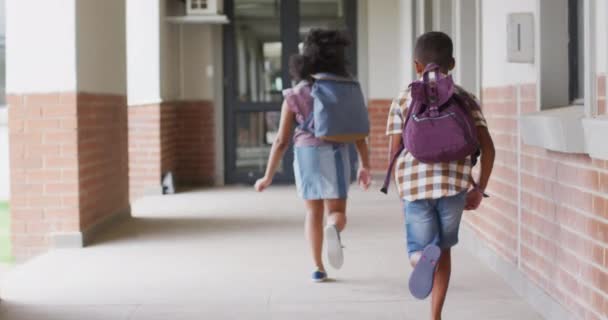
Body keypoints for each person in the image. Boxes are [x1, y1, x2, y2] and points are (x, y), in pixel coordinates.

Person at [385, 31, 495, 319]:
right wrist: (479, 188)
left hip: (416, 187)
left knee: (422, 249)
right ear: (453, 63)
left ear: (417, 65)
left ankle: (420, 259)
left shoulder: (403, 98)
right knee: (444, 249)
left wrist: (399, 187)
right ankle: (435, 316)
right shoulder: (466, 99)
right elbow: (488, 147)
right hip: (454, 187)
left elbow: (394, 150)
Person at [254, 29, 372, 282]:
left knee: (313, 212)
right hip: (337, 151)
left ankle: (318, 267)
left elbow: (281, 140)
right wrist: (365, 165)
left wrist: (267, 176)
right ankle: (334, 228)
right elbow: (360, 132)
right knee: (337, 211)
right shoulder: (348, 88)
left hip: (306, 152)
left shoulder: (297, 93)